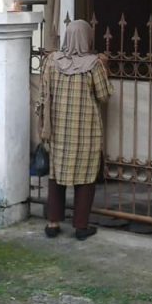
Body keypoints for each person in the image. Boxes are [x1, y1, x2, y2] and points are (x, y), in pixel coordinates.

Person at [39, 19, 114, 241]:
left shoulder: (52, 61)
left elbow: (44, 93)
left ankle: (53, 223)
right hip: (86, 132)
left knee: (56, 174)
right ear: (87, 38)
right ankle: (81, 227)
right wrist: (106, 67)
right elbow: (104, 95)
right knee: (86, 177)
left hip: (58, 129)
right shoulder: (94, 64)